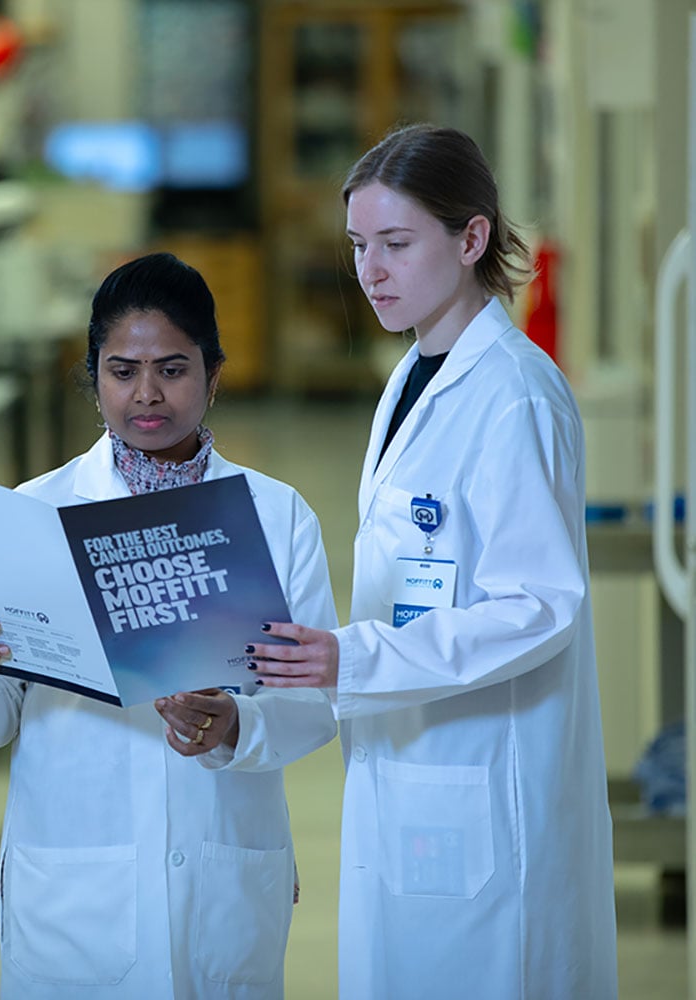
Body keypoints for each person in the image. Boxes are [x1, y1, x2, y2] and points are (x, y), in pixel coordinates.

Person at [242, 123, 619, 999]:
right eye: (359, 246)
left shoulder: (515, 395)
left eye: (397, 244)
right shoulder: (415, 372)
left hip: (486, 790)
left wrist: (358, 657)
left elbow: (539, 604)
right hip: (415, 769)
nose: (370, 270)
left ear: (471, 237)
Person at [0, 252, 338, 999]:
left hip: (222, 874)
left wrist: (234, 724)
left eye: (174, 369)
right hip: (75, 884)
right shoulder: (34, 513)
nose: (147, 394)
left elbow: (313, 706)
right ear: (93, 378)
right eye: (122, 370)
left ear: (214, 375)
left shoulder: (277, 516)